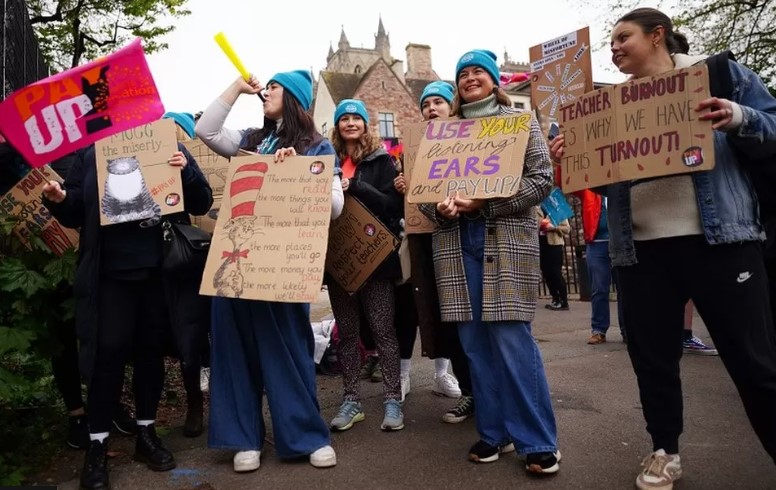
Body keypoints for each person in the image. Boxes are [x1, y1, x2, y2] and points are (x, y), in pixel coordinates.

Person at [551, 7, 776, 488]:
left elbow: (773, 126)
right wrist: (577, 163)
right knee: (652, 361)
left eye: (622, 36)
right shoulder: (609, 106)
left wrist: (737, 116)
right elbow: (614, 187)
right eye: (610, 41)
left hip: (721, 244)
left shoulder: (718, 75)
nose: (612, 48)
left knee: (754, 363)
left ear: (658, 36)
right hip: (642, 253)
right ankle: (663, 451)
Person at [42, 127, 214, 488]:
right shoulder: (91, 153)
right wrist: (58, 199)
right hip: (110, 276)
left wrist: (187, 170)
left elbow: (200, 201)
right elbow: (74, 209)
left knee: (150, 355)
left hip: (156, 272)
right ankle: (97, 444)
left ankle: (146, 435)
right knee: (108, 356)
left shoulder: (168, 144)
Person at [196, 70, 344, 472]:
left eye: (273, 87)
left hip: (284, 264)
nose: (266, 92)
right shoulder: (248, 140)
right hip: (237, 259)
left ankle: (305, 436)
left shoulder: (316, 146)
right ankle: (245, 438)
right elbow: (206, 129)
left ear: (294, 97)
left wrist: (299, 176)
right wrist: (236, 89)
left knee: (289, 349)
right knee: (234, 347)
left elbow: (335, 207)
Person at [421, 50, 560, 474]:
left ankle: (537, 441)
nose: (469, 78)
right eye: (462, 74)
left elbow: (541, 178)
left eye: (478, 70)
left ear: (494, 79)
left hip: (504, 238)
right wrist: (440, 209)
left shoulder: (519, 122)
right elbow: (425, 197)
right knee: (475, 344)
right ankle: (494, 433)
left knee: (511, 340)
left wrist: (486, 202)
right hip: (456, 243)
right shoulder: (441, 133)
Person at [393, 81, 471, 422]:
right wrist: (403, 185)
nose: (431, 109)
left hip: (456, 236)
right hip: (423, 237)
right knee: (419, 306)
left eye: (438, 102)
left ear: (451, 106)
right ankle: (416, 375)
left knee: (455, 312)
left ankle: (449, 376)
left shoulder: (466, 137)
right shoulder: (411, 147)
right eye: (426, 105)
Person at [327, 98, 405, 432]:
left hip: (375, 261)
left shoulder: (381, 162)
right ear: (336, 126)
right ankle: (351, 401)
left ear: (365, 124)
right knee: (346, 335)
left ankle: (393, 400)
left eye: (355, 117)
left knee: (383, 330)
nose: (349, 123)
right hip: (338, 261)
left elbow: (394, 206)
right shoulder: (324, 159)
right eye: (343, 118)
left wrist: (357, 187)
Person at [161, 111, 213, 437]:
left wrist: (187, 171)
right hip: (139, 261)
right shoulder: (115, 151)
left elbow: (203, 202)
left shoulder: (176, 149)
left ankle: (196, 404)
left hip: (178, 260)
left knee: (189, 333)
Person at [537, 206, 570, 311]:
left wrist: (554, 228)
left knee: (556, 273)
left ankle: (564, 301)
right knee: (546, 273)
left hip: (555, 245)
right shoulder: (535, 209)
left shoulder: (557, 209)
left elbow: (567, 229)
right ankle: (555, 298)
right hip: (541, 244)